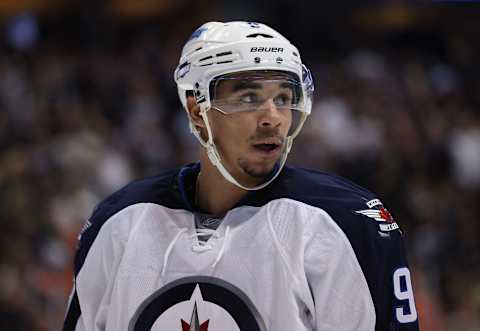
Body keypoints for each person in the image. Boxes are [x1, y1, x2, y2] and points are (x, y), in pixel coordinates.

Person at [63, 21, 419, 331]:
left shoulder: (349, 222)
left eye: (283, 98)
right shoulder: (116, 222)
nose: (273, 118)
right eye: (249, 98)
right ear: (196, 110)